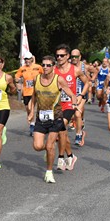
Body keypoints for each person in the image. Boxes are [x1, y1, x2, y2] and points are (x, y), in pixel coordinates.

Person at [29, 55, 78, 183]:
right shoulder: (37, 79)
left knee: (50, 145)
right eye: (43, 65)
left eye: (48, 65)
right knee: (38, 146)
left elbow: (71, 93)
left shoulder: (59, 80)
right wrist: (30, 112)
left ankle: (49, 172)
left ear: (53, 67)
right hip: (41, 117)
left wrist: (74, 103)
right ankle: (50, 151)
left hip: (55, 117)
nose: (45, 67)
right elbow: (34, 96)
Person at [54, 44, 89, 171]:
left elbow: (87, 83)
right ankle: (71, 156)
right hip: (57, 105)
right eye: (57, 55)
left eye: (62, 55)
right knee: (61, 134)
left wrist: (81, 95)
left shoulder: (75, 70)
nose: (59, 58)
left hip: (70, 104)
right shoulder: (53, 70)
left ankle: (60, 158)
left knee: (60, 126)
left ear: (67, 56)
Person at [15, 52, 43, 136]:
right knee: (28, 108)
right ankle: (32, 123)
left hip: (36, 91)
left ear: (32, 59)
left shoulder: (38, 67)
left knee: (32, 107)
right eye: (25, 59)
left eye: (28, 59)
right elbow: (17, 76)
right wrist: (18, 84)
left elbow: (45, 75)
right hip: (26, 91)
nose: (27, 61)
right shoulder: (22, 68)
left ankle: (35, 125)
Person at [70, 49, 93, 145]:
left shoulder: (85, 66)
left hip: (82, 93)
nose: (74, 58)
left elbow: (95, 71)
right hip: (71, 94)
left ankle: (79, 134)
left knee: (77, 114)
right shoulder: (68, 66)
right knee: (72, 115)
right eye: (72, 56)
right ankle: (81, 127)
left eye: (76, 56)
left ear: (80, 57)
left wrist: (91, 79)